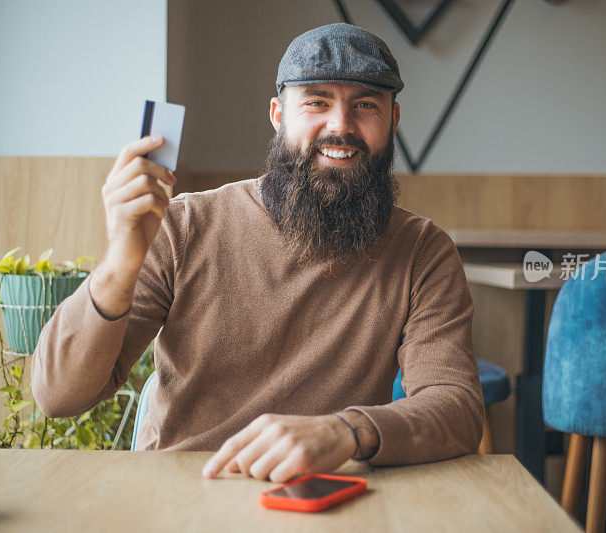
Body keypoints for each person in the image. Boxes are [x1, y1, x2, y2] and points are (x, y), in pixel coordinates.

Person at [32, 22, 483, 483]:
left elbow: (456, 405)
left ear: (394, 120)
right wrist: (118, 266)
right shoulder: (185, 226)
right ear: (278, 115)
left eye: (365, 105)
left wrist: (348, 430)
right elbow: (57, 396)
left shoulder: (424, 252)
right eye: (316, 102)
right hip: (182, 495)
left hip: (324, 497)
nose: (341, 125)